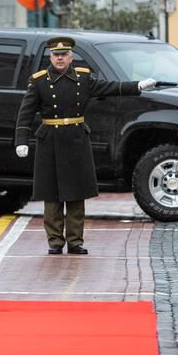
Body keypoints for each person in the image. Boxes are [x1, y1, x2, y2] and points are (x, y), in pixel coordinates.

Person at [14, 37, 157, 255]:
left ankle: (74, 241)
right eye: (56, 55)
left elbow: (110, 87)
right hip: (49, 140)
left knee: (76, 193)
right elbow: (25, 114)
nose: (60, 58)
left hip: (76, 140)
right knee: (51, 195)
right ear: (50, 57)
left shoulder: (82, 78)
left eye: (64, 55)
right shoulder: (39, 81)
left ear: (71, 57)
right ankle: (54, 241)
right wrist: (21, 141)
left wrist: (136, 86)